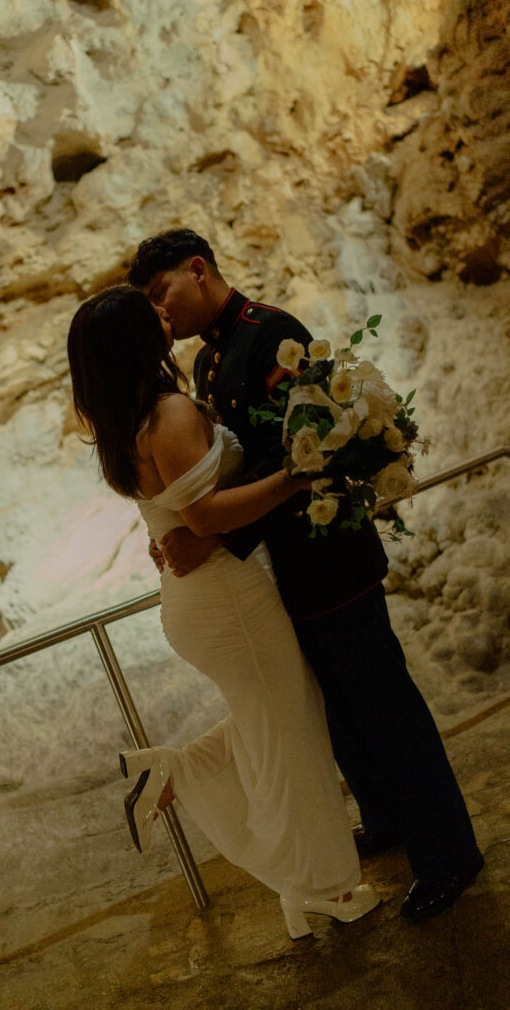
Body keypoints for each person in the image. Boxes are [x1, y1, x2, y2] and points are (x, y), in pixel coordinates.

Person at [127, 228, 484, 924]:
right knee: (341, 710)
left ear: (197, 269)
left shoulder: (272, 335)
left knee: (384, 707)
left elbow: (298, 456)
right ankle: (385, 816)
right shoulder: (209, 361)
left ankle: (448, 853)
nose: (161, 311)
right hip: (281, 567)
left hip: (330, 556)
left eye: (162, 292)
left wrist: (212, 534)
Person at [67, 286, 381, 940]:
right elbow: (205, 517)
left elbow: (183, 517)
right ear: (133, 341)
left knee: (275, 724)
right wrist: (298, 475)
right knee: (293, 733)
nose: (162, 311)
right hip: (228, 598)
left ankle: (187, 784)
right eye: (148, 311)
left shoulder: (123, 423)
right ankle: (330, 887)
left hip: (202, 601)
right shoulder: (169, 411)